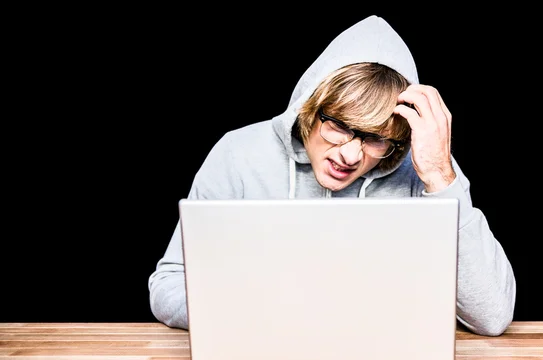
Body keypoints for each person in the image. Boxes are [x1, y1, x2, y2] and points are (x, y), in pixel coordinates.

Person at [148, 15, 516, 336]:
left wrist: (440, 177)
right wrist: (258, 311)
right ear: (310, 108)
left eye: (375, 138)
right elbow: (168, 285)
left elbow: (492, 315)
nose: (351, 154)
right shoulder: (238, 154)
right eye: (339, 126)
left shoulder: (425, 168)